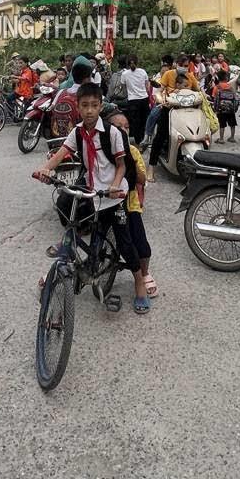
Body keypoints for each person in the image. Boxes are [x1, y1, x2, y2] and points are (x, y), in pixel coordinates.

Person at [34, 84, 149, 313]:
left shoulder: (112, 133)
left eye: (94, 105)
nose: (89, 110)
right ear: (78, 107)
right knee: (76, 218)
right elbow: (62, 153)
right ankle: (82, 261)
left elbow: (121, 165)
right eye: (84, 105)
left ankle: (139, 282)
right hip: (93, 192)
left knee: (125, 243)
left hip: (114, 195)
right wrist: (45, 168)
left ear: (100, 106)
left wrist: (115, 185)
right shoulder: (77, 132)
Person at [109, 110, 157, 300]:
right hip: (107, 202)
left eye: (126, 127)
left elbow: (142, 179)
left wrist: (129, 157)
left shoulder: (133, 151)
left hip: (130, 204)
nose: (123, 130)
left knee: (141, 244)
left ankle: (144, 273)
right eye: (118, 127)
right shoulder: (104, 149)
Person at [120, 54, 151, 144]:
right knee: (144, 120)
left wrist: (129, 94)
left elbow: (123, 89)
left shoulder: (124, 74)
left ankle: (138, 141)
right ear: (137, 62)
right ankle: (145, 139)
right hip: (144, 99)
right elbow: (147, 86)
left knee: (135, 122)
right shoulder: (143, 72)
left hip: (132, 100)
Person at [211, 67, 238, 143]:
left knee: (222, 124)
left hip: (221, 109)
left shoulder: (217, 87)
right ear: (226, 78)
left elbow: (214, 98)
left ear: (218, 78)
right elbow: (235, 96)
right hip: (230, 109)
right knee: (232, 124)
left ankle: (221, 139)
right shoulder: (230, 87)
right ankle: (232, 137)